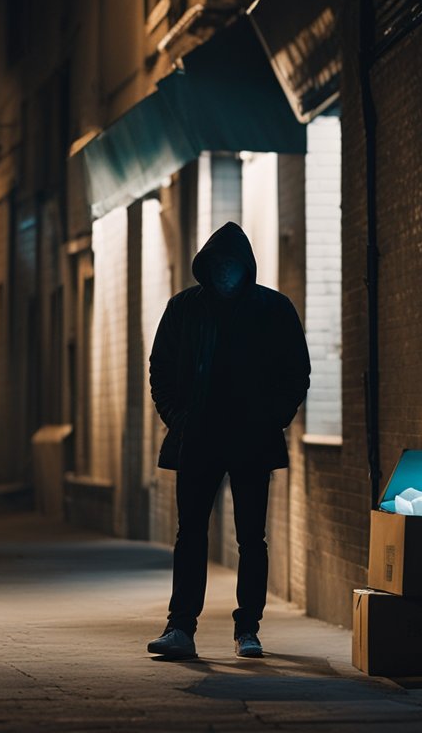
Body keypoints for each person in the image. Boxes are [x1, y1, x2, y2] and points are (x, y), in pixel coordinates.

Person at [146, 222, 310, 659]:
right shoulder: (184, 308)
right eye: (217, 265)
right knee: (190, 534)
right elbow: (160, 369)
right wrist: (178, 420)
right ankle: (181, 627)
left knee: (251, 538)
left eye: (231, 265)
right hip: (197, 436)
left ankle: (248, 629)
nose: (224, 273)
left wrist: (271, 419)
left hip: (251, 438)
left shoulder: (272, 309)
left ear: (245, 267)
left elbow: (296, 372)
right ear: (206, 267)